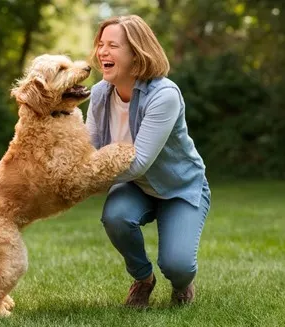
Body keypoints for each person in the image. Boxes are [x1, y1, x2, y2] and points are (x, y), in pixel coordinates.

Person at [85, 15, 212, 308]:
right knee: (116, 217)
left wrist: (84, 180)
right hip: (134, 186)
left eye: (113, 45)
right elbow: (88, 150)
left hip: (178, 187)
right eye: (101, 44)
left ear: (136, 53)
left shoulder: (164, 95)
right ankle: (143, 279)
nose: (102, 51)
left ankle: (182, 285)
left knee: (177, 265)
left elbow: (139, 162)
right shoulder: (100, 94)